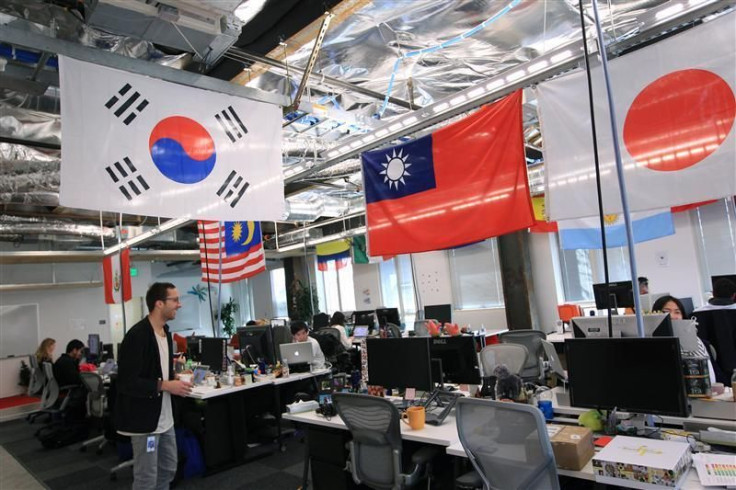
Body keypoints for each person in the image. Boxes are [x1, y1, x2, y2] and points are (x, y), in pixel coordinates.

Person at [116, 282, 192, 490]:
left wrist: (176, 376)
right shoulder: (137, 336)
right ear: (159, 303)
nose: (179, 304)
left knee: (168, 469)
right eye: (175, 300)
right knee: (146, 478)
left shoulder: (165, 332)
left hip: (165, 419)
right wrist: (166, 385)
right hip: (145, 422)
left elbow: (157, 372)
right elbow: (127, 382)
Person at [652, 295, 716, 384]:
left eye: (677, 312)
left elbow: (709, 377)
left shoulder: (694, 340)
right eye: (666, 312)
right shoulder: (651, 342)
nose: (672, 316)